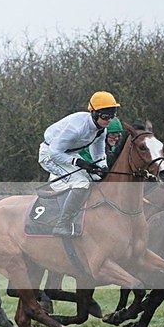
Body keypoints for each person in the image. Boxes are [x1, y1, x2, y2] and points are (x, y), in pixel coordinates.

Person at [38, 91, 119, 237]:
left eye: (112, 116)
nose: (109, 120)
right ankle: (62, 224)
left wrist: (103, 167)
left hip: (67, 153)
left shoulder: (101, 129)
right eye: (105, 116)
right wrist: (79, 162)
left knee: (96, 178)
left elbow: (98, 152)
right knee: (81, 182)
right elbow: (54, 153)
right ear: (94, 114)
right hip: (49, 156)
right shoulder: (75, 129)